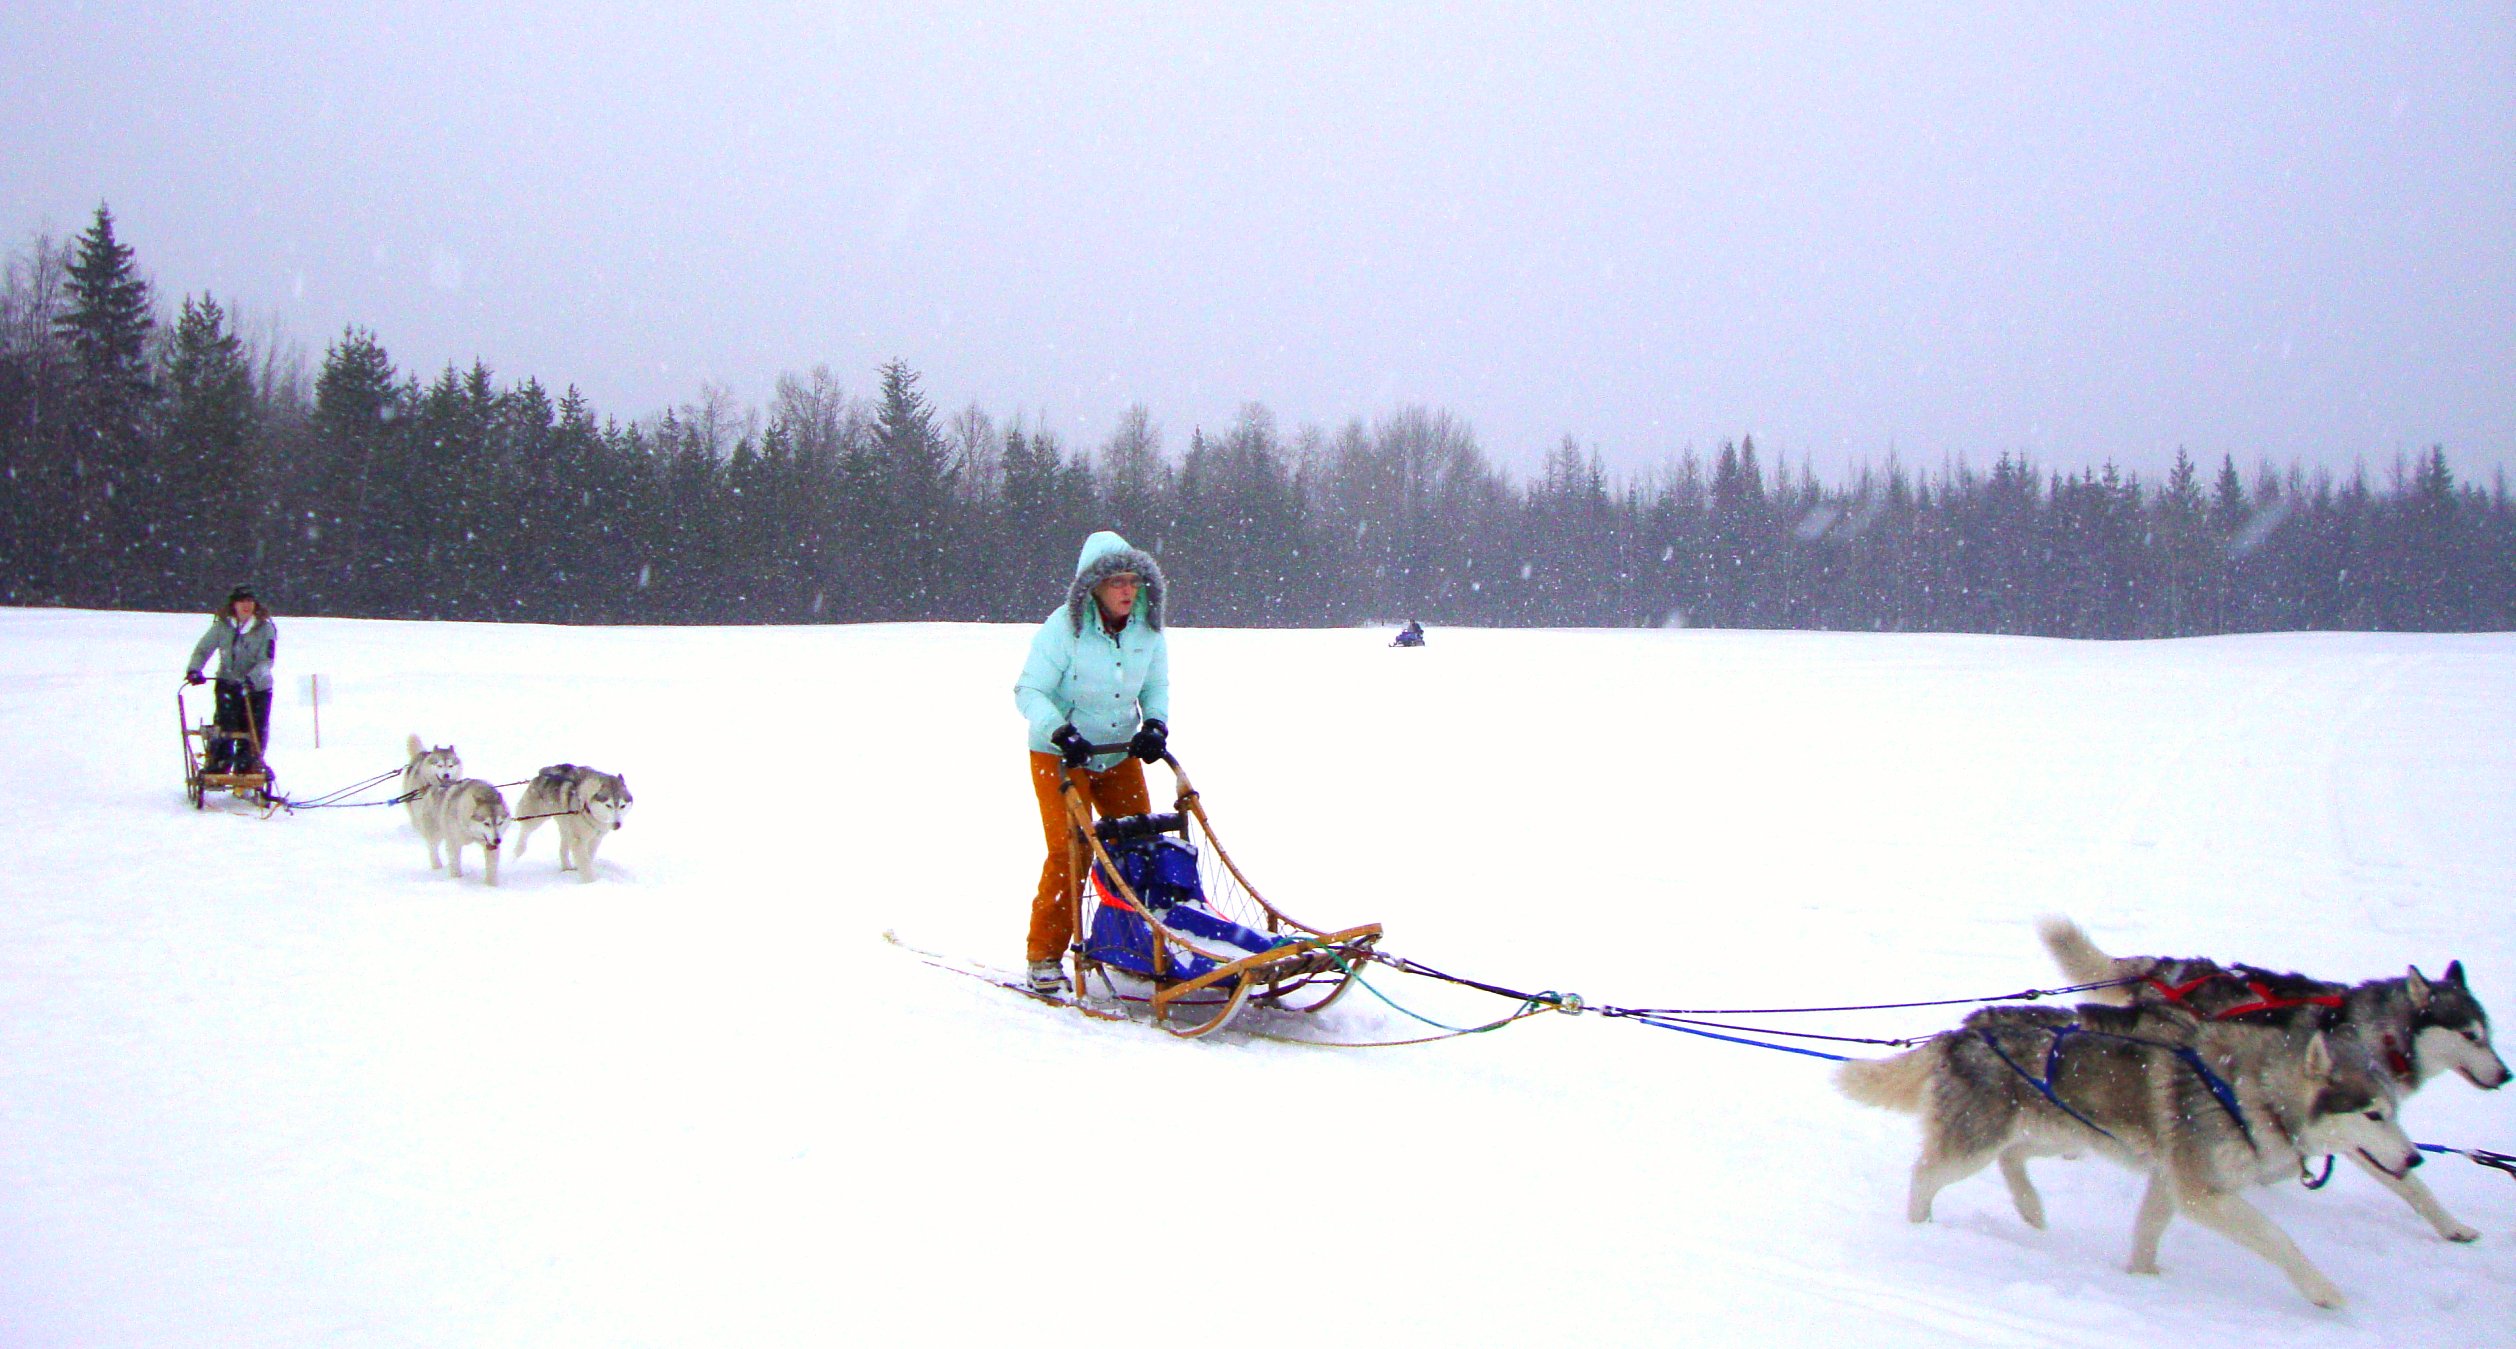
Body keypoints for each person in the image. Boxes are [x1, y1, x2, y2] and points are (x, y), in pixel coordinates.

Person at [1013, 531, 1171, 993]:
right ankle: (1043, 955)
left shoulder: (1148, 628)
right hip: (1060, 754)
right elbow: (1029, 691)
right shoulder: (1062, 629)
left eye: (1133, 581)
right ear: (1093, 586)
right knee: (1072, 852)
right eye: (1116, 581)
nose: (1127, 591)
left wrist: (1155, 725)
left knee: (1138, 844)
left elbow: (1155, 688)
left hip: (1119, 750)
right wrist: (1059, 731)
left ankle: (1134, 943)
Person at [185, 585, 278, 777]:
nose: (246, 605)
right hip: (228, 683)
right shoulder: (222, 627)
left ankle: (249, 765)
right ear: (233, 605)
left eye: (250, 601)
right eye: (242, 601)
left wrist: (251, 679)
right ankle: (220, 763)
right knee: (226, 725)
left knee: (253, 729)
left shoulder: (265, 628)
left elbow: (266, 660)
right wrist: (195, 669)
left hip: (257, 688)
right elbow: (203, 649)